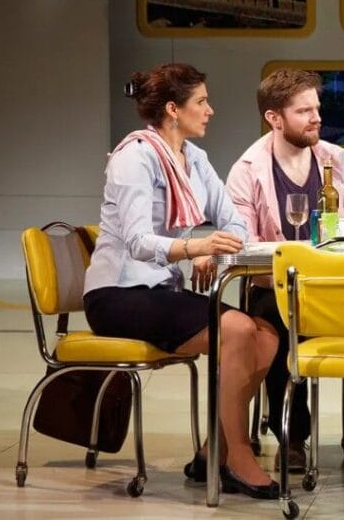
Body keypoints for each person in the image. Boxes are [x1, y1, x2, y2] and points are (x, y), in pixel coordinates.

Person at [83, 63, 279, 499]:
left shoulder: (195, 159)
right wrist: (195, 247)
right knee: (239, 329)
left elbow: (234, 222)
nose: (210, 110)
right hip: (118, 294)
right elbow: (137, 242)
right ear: (173, 109)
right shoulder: (134, 157)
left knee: (267, 336)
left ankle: (213, 451)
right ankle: (239, 456)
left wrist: (211, 249)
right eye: (201, 102)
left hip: (161, 291)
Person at [226, 68, 344, 471]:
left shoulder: (337, 160)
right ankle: (291, 435)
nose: (316, 118)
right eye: (304, 111)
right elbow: (244, 243)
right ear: (274, 118)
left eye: (317, 109)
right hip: (278, 288)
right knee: (270, 321)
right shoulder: (247, 170)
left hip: (338, 287)